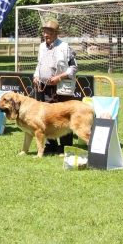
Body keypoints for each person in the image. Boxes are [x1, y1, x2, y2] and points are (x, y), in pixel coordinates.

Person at [33, 20, 78, 153]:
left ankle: (65, 147)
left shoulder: (66, 47)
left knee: (64, 117)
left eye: (49, 32)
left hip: (61, 89)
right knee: (47, 117)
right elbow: (39, 65)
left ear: (56, 33)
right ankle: (50, 145)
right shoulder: (41, 47)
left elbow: (74, 67)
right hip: (45, 87)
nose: (46, 35)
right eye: (45, 32)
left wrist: (60, 77)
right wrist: (36, 76)